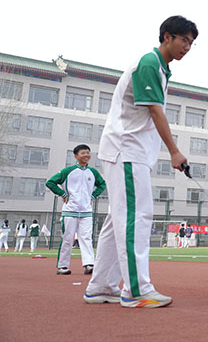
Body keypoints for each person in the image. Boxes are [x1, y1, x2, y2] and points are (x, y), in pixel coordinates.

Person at [84, 15, 197, 308]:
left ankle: (100, 286)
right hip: (126, 150)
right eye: (184, 40)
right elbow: (156, 112)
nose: (187, 47)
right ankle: (137, 290)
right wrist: (174, 151)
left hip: (130, 152)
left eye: (191, 43)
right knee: (136, 216)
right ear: (167, 36)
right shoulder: (149, 63)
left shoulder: (161, 69)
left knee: (117, 220)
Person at [46, 144, 106, 275]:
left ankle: (89, 264)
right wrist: (62, 194)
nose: (86, 155)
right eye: (83, 153)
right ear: (76, 156)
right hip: (70, 211)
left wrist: (93, 196)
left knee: (86, 238)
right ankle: (62, 266)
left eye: (88, 153)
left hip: (86, 211)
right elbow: (50, 182)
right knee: (67, 239)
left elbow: (102, 184)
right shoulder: (68, 171)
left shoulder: (93, 172)